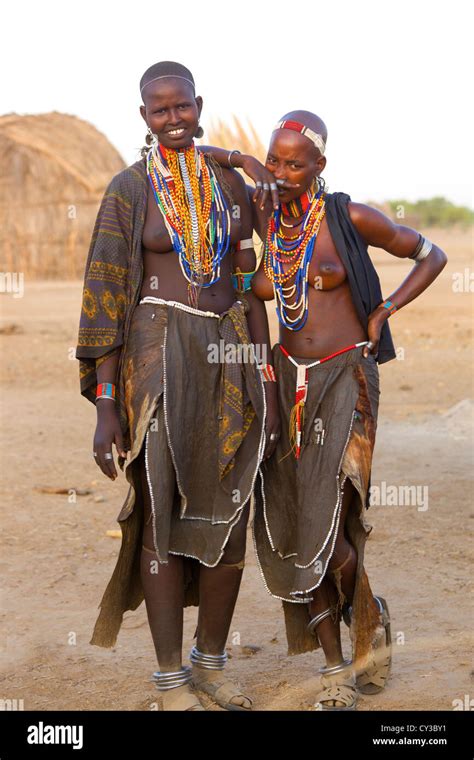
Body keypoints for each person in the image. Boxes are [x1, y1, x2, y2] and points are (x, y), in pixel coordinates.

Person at [207, 112, 447, 710]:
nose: (284, 174)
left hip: (347, 376)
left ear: (320, 165)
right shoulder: (266, 215)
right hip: (288, 382)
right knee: (293, 519)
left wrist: (385, 309)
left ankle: (361, 624)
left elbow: (432, 254)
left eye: (295, 164)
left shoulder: (349, 217)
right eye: (276, 160)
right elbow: (213, 158)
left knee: (329, 513)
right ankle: (339, 662)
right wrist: (234, 161)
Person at [75, 61, 280, 711]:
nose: (172, 118)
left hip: (230, 355)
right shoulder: (129, 190)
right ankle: (169, 681)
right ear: (144, 116)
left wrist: (267, 377)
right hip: (158, 354)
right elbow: (104, 299)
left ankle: (211, 663)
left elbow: (249, 287)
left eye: (181, 106)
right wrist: (107, 407)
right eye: (158, 110)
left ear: (198, 104)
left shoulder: (230, 186)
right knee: (161, 516)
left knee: (232, 513)